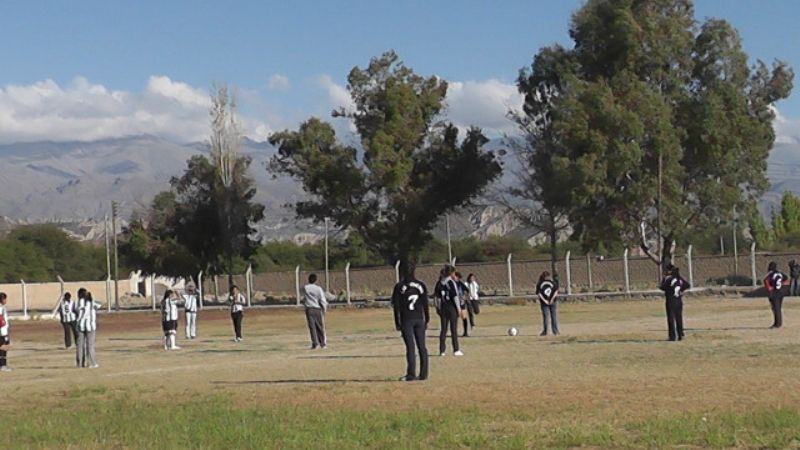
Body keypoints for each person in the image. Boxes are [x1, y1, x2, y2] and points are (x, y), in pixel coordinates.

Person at [391, 261, 430, 381]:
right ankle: (424, 373)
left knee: (411, 347)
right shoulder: (421, 285)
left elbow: (396, 306)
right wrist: (427, 318)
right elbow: (425, 303)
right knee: (422, 346)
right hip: (419, 318)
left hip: (407, 319)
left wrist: (397, 322)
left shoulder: (399, 286)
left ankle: (411, 374)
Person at [437, 265, 464, 356]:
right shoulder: (451, 283)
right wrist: (459, 309)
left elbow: (437, 297)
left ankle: (442, 350)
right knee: (453, 329)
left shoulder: (440, 283)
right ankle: (456, 349)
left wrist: (438, 307)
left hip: (443, 308)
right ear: (451, 273)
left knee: (443, 329)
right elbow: (455, 296)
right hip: (451, 308)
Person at [659, 265, 690, 341]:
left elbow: (662, 287)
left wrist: (664, 280)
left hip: (671, 300)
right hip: (679, 300)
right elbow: (687, 285)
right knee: (679, 318)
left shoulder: (669, 279)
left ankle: (672, 336)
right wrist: (681, 290)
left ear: (670, 271)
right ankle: (680, 334)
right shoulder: (679, 278)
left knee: (671, 319)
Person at [75, 289, 101, 368]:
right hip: (90, 326)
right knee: (90, 345)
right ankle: (92, 363)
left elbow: (76, 310)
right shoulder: (92, 302)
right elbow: (99, 306)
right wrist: (91, 298)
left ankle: (80, 363)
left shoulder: (78, 302)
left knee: (80, 345)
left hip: (80, 325)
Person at [302, 273, 328, 349]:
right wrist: (324, 309)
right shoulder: (318, 289)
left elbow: (303, 295)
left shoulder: (305, 288)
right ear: (316, 280)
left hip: (309, 309)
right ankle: (322, 343)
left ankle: (315, 343)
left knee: (312, 327)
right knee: (320, 327)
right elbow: (322, 300)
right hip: (317, 308)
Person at [764, 261, 788, 329]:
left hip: (775, 293)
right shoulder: (780, 273)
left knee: (775, 309)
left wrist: (770, 288)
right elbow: (786, 277)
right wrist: (781, 283)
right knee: (778, 308)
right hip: (781, 292)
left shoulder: (771, 274)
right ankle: (778, 323)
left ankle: (777, 324)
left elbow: (766, 280)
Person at [536, 271, 560, 336]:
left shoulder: (539, 283)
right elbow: (556, 291)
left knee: (546, 317)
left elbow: (539, 294)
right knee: (553, 316)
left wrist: (545, 300)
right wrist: (552, 299)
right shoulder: (553, 282)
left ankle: (545, 331)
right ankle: (555, 331)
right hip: (553, 302)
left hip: (544, 303)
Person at [0, 293, 11, 372]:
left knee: (5, 348)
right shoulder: (0, 308)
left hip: (4, 330)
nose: (6, 300)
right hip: (2, 331)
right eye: (5, 299)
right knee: (3, 348)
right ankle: (2, 365)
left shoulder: (3, 307)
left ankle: (3, 365)